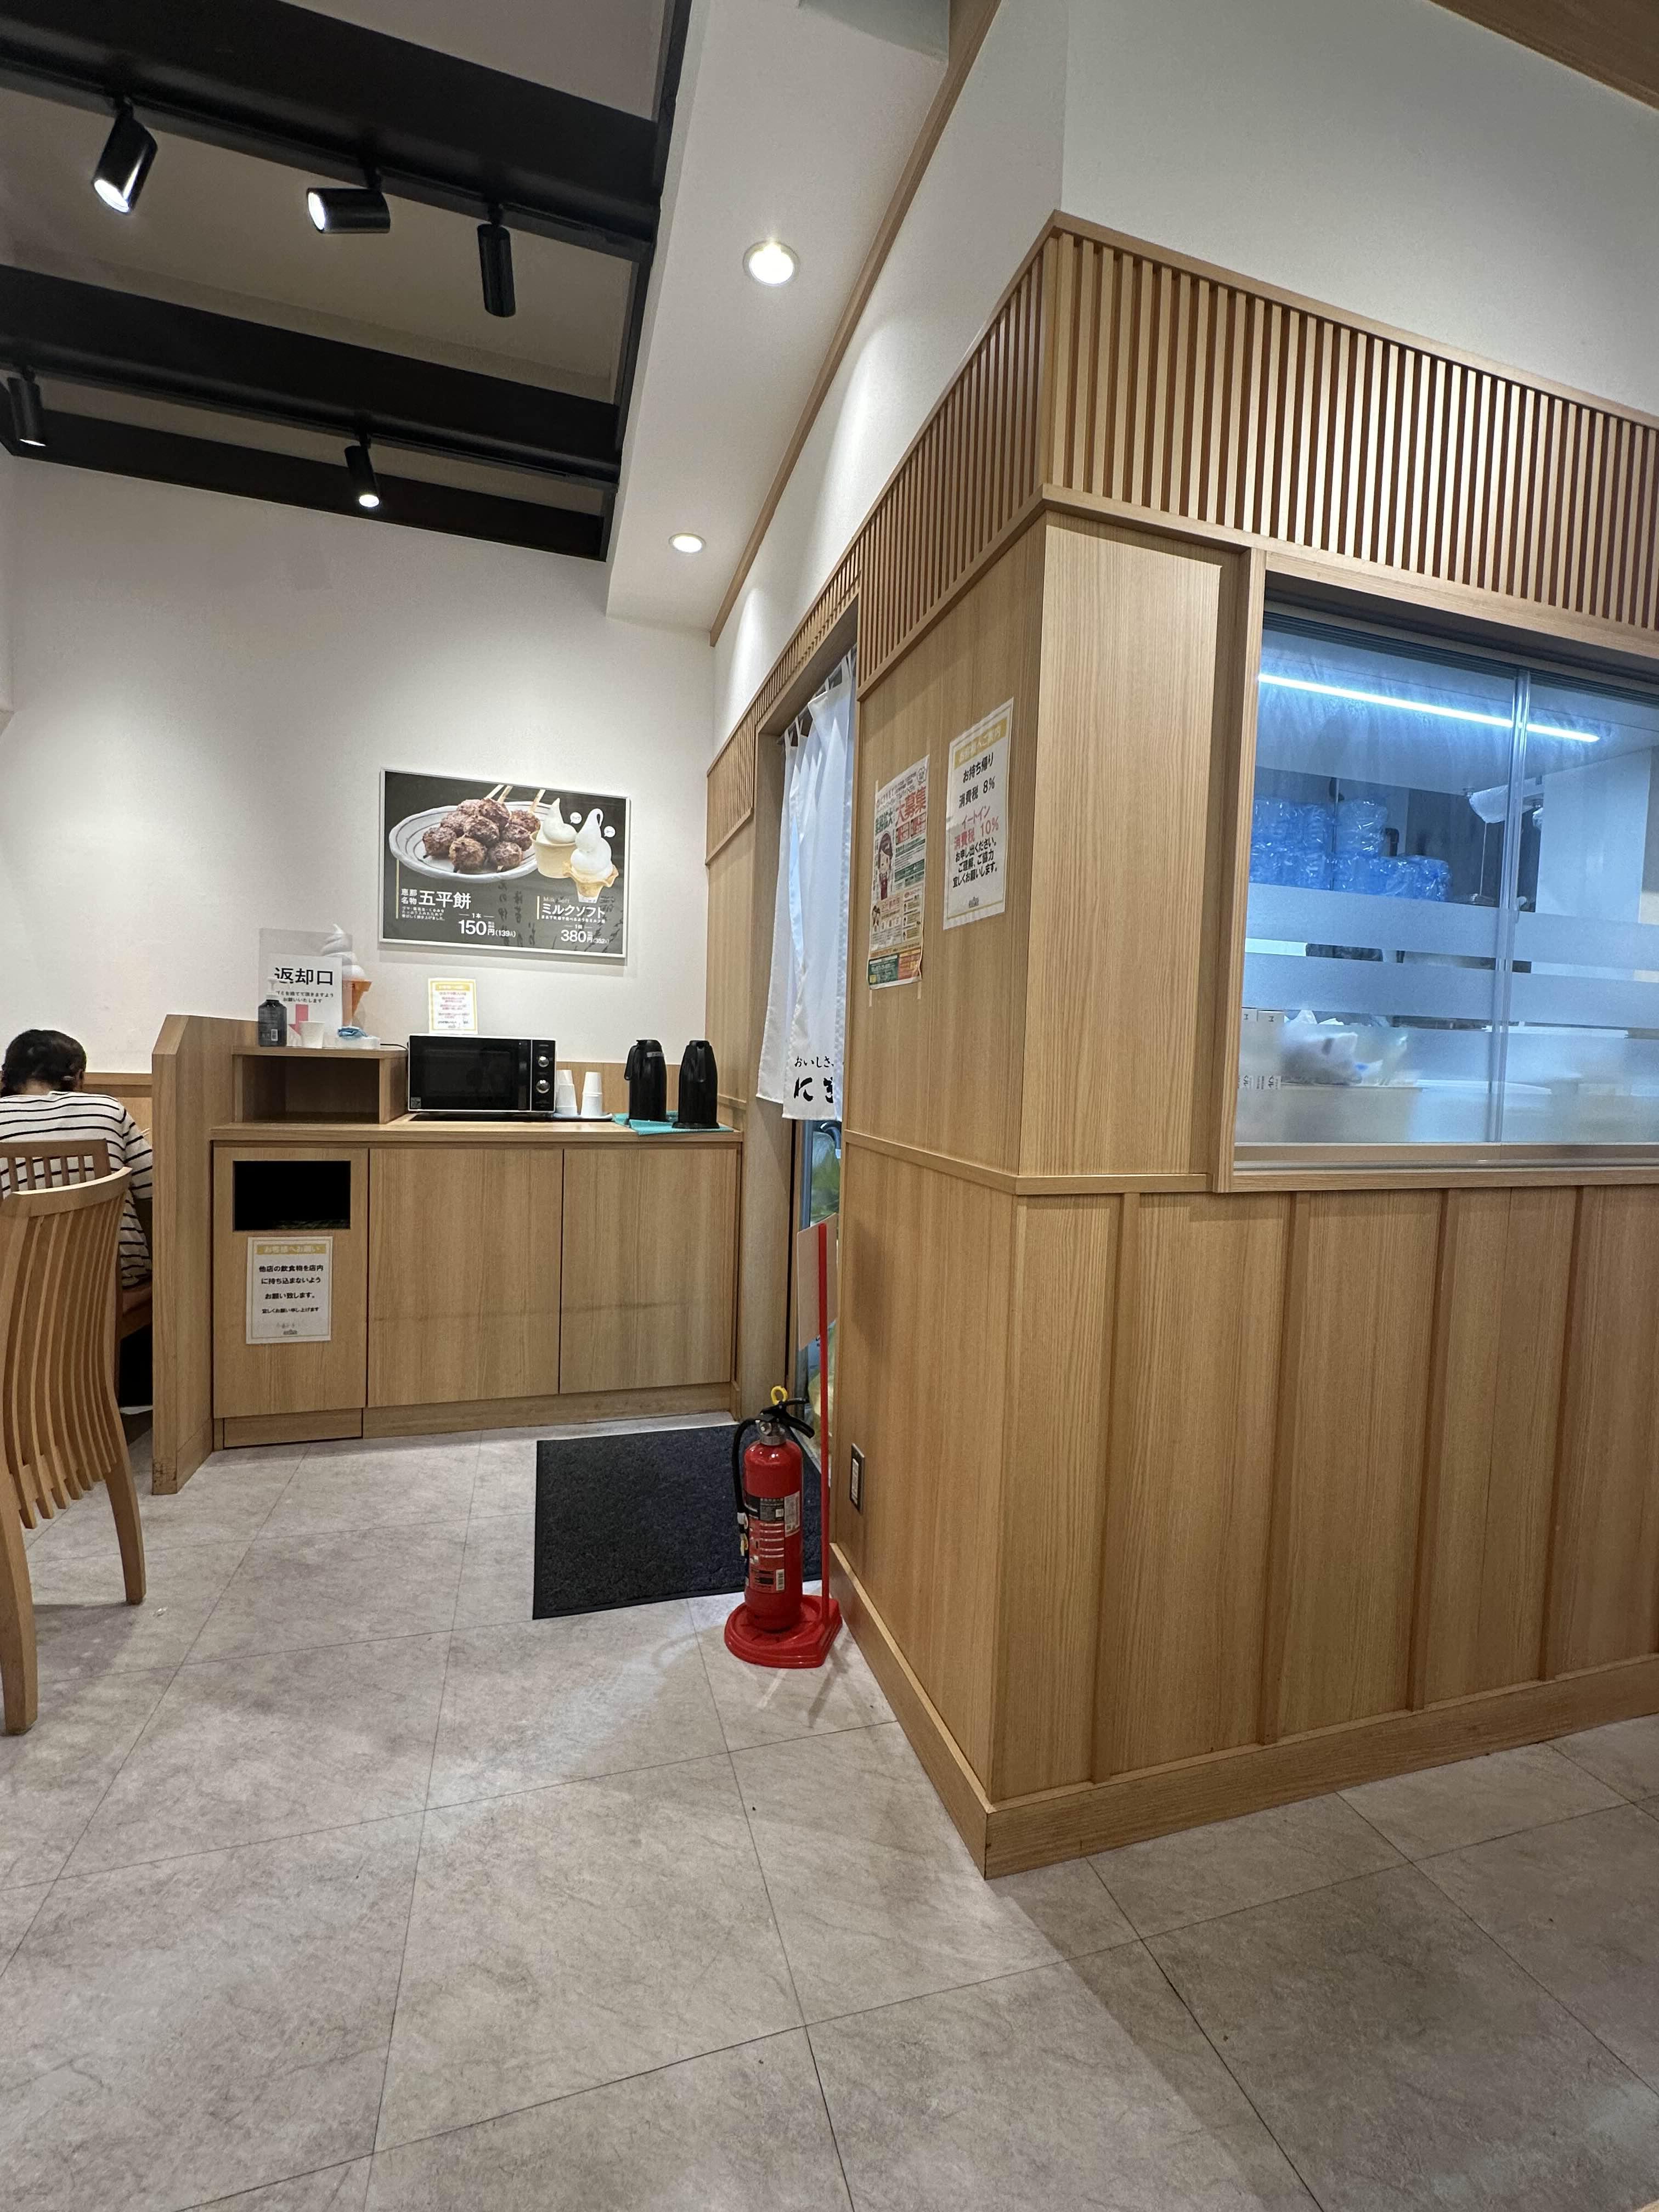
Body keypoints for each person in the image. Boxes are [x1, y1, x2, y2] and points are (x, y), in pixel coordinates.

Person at [0, 1029, 154, 1405]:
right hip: (112, 1286)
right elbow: (156, 1189)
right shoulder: (107, 1110)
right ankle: (129, 1396)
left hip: (16, 1288)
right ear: (79, 1076)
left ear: (7, 1077)